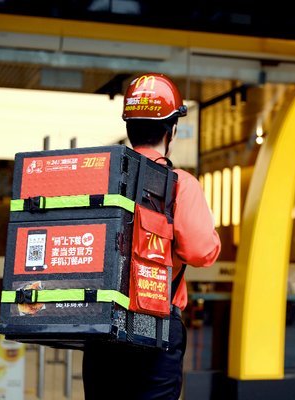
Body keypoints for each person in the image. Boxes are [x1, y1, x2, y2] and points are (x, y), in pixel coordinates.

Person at [82, 73, 221, 400]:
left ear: (129, 127)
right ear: (171, 130)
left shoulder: (102, 178)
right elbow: (202, 251)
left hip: (101, 328)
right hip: (155, 331)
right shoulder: (179, 184)